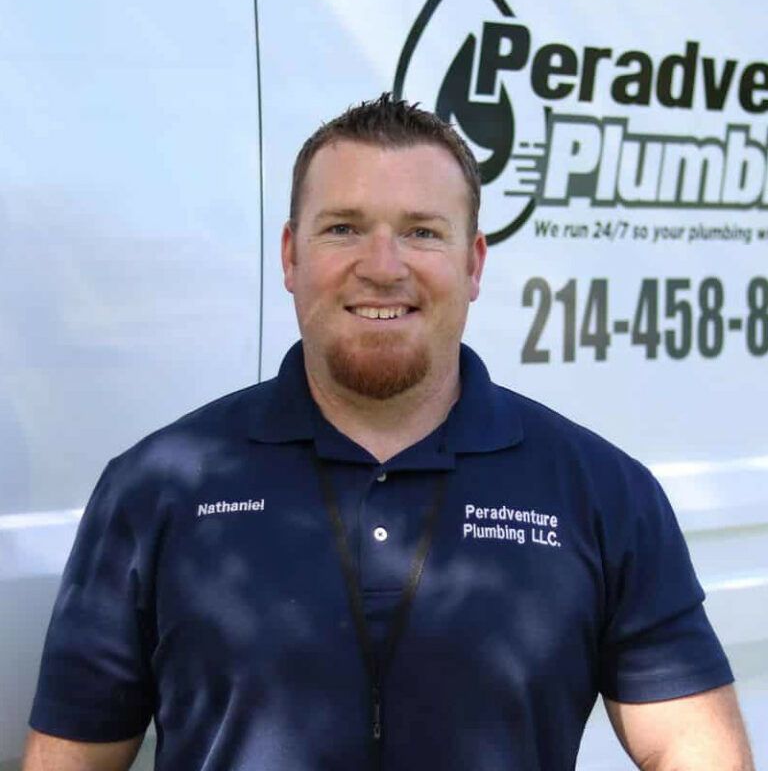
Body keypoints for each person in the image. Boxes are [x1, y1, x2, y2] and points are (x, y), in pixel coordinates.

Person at [24, 94, 754, 771]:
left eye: (421, 233)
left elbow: (697, 752)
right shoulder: (157, 487)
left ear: (472, 264)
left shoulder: (601, 492)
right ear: (291, 256)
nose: (382, 267)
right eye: (343, 228)